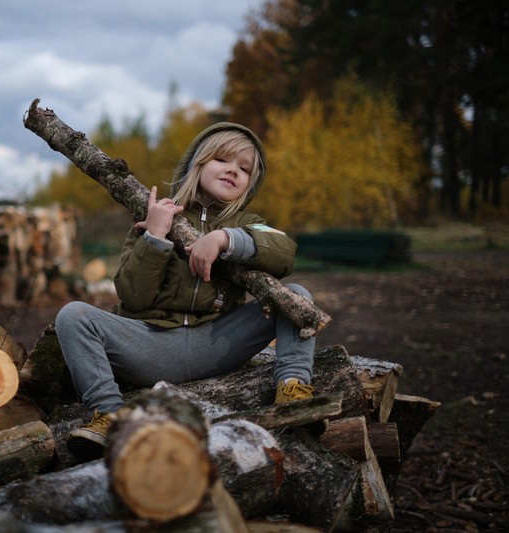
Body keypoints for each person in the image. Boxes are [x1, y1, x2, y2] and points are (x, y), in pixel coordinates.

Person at [55, 122, 315, 457]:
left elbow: (284, 252)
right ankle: (109, 415)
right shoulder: (156, 215)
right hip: (152, 344)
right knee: (73, 315)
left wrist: (225, 239)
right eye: (223, 159)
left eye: (244, 168)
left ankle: (293, 390)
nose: (233, 170)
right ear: (198, 162)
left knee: (296, 296)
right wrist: (155, 237)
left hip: (218, 342)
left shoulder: (248, 223)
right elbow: (132, 296)